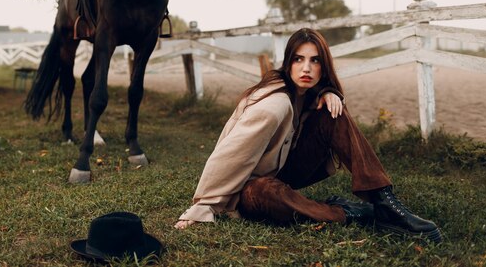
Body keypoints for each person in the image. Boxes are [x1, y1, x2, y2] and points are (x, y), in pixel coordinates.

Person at [174, 28, 441, 243]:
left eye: (315, 61)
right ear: (288, 63)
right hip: (252, 188)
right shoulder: (273, 105)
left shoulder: (309, 93)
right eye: (298, 59)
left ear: (323, 67)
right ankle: (347, 212)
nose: (306, 68)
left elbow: (324, 112)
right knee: (269, 193)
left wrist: (329, 93)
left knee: (333, 113)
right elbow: (230, 155)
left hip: (285, 169)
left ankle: (385, 202)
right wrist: (204, 205)